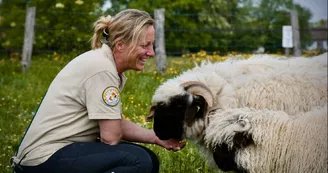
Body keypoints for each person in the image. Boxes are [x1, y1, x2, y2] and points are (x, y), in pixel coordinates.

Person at [11, 9, 186, 173]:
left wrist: (156, 138)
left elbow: (112, 120)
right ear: (120, 45)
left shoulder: (104, 64)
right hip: (43, 158)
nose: (151, 53)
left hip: (54, 153)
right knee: (139, 162)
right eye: (145, 45)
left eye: (152, 45)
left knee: (148, 159)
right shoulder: (102, 69)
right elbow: (110, 137)